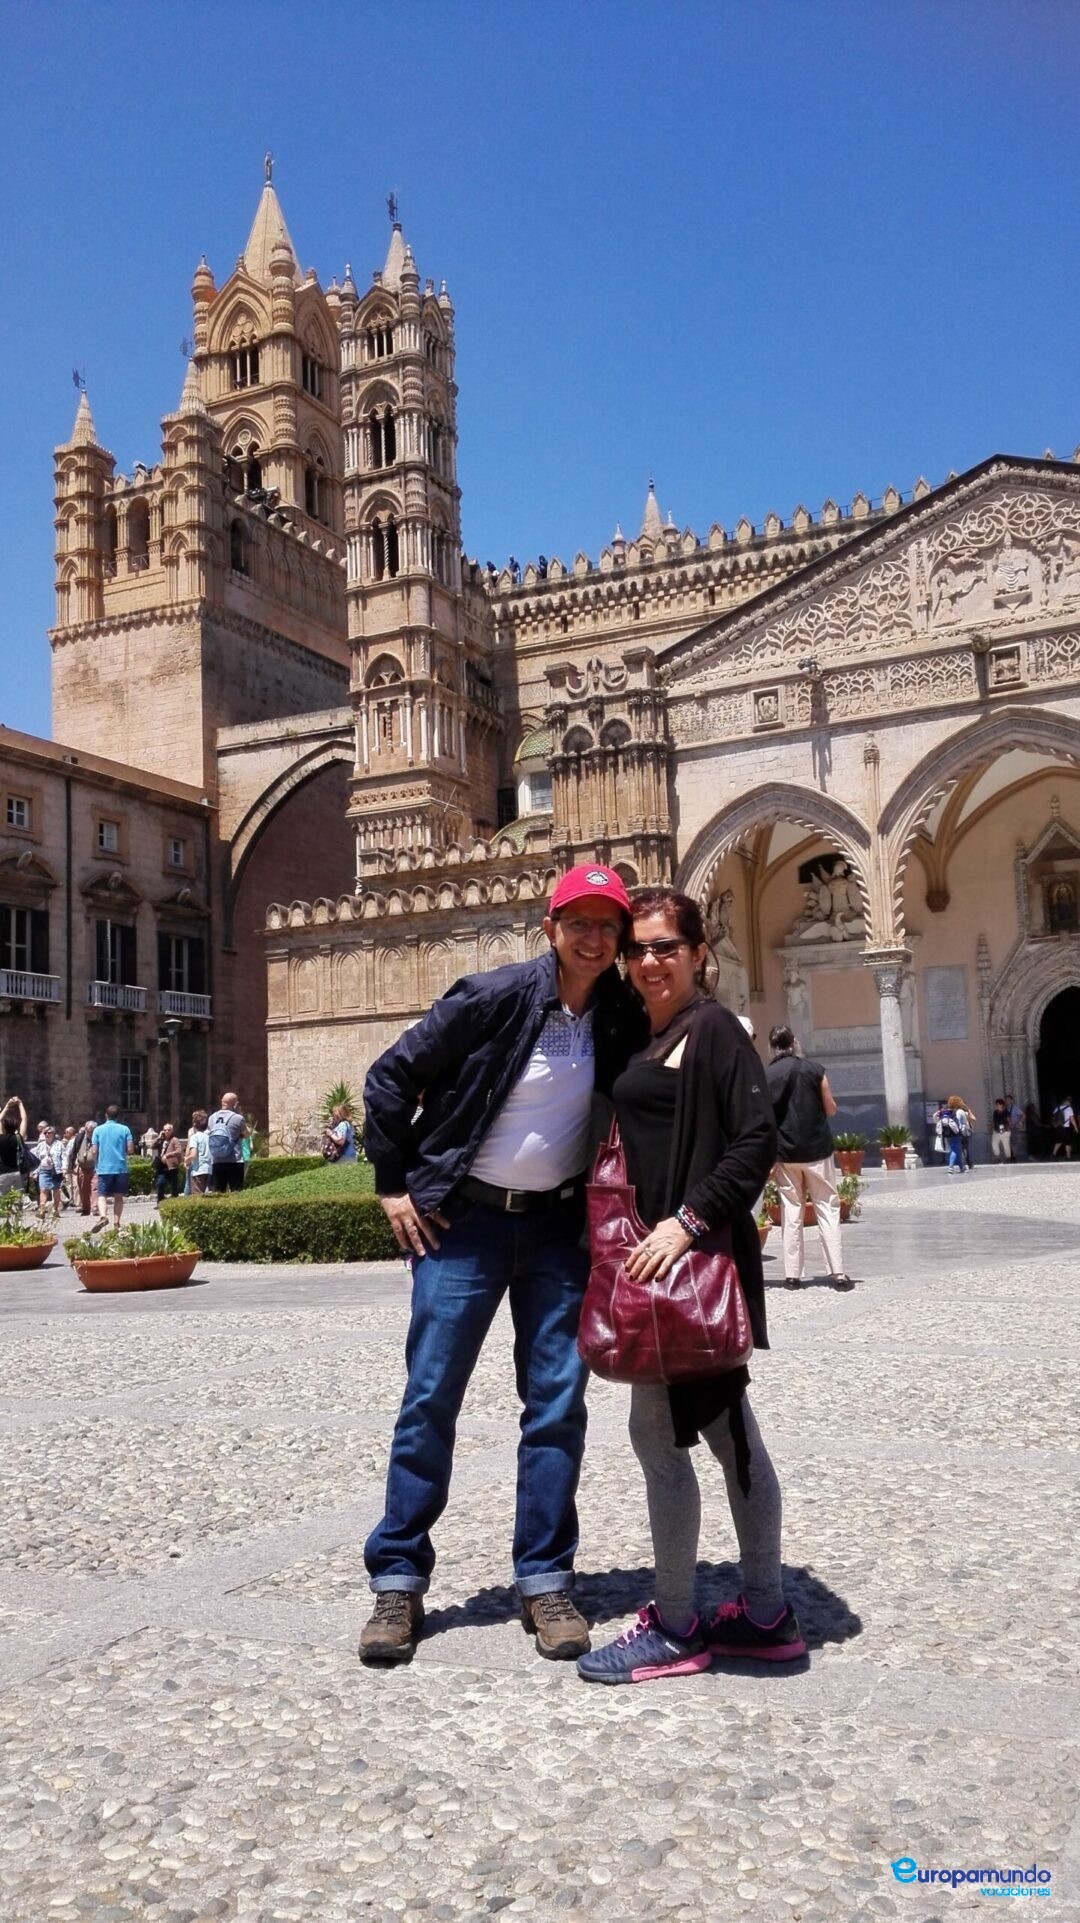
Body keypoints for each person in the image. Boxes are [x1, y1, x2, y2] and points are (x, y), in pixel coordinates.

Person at [359, 864, 647, 1666]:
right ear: (549, 927)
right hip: (464, 1224)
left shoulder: (620, 1013)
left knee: (556, 1404)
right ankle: (397, 1578)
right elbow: (390, 1077)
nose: (594, 937)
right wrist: (393, 1184)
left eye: (607, 925)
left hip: (557, 1227)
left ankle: (544, 1576)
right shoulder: (492, 995)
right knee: (429, 1399)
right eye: (579, 921)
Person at [577, 887, 806, 1685]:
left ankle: (679, 1624)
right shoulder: (652, 1030)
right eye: (637, 947)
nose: (648, 960)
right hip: (661, 1275)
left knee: (691, 1436)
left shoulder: (711, 1028)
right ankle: (764, 1611)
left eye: (666, 946)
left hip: (687, 1269)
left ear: (700, 952)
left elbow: (755, 1140)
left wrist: (687, 1221)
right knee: (709, 1431)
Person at [765, 1025, 852, 1290]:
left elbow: (764, 1117)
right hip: (816, 1150)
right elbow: (831, 1108)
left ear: (772, 1046)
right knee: (827, 1208)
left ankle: (793, 1276)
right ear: (794, 1042)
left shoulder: (766, 1075)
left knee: (791, 1212)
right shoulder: (815, 1070)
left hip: (786, 1153)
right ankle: (837, 1272)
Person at [90, 1103, 134, 1230]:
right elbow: (130, 1149)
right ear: (118, 1116)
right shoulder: (125, 1129)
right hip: (120, 1167)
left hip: (104, 1168)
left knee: (101, 1195)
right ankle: (116, 1223)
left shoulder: (98, 1130)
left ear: (106, 1116)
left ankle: (103, 1216)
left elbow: (94, 1151)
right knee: (118, 1196)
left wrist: (96, 1163)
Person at [206, 1092, 249, 1193]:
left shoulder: (212, 1118)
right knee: (236, 1192)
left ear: (222, 1102)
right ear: (235, 1104)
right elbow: (247, 1134)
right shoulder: (238, 1118)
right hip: (234, 1160)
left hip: (216, 1160)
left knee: (218, 1193)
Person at [34, 1126, 65, 1222]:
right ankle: (42, 1210)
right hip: (44, 1170)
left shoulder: (59, 1144)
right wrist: (35, 1172)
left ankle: (55, 1210)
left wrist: (64, 1168)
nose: (47, 1134)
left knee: (56, 1189)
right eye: (45, 1133)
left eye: (49, 1132)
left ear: (53, 1134)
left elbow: (64, 1157)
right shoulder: (40, 1145)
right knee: (43, 1189)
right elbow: (36, 1159)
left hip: (56, 1170)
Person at [0, 1097, 28, 1199]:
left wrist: (7, 1106)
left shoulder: (1, 1138)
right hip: (16, 1172)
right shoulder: (18, 1138)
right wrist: (20, 1104)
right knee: (17, 1201)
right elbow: (24, 1120)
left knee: (2, 1201)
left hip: (2, 1173)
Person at [70, 1119, 98, 1214]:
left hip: (95, 1167)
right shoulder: (80, 1137)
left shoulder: (98, 1137)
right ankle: (86, 1208)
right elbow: (74, 1151)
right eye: (88, 1131)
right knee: (83, 1188)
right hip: (82, 1167)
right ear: (85, 1129)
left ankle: (95, 1208)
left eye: (91, 1131)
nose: (89, 1133)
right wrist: (71, 1165)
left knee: (95, 1188)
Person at [153, 1123, 184, 1203]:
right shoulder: (161, 1140)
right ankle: (160, 1201)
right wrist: (159, 1137)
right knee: (160, 1183)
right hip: (162, 1167)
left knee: (174, 1186)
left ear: (172, 1131)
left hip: (171, 1166)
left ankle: (174, 1201)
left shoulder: (175, 1140)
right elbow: (152, 1146)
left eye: (169, 1130)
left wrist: (167, 1155)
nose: (167, 1132)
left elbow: (178, 1151)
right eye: (165, 1130)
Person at [935, 1098, 966, 1174]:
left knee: (956, 1150)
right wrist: (963, 1131)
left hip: (947, 1134)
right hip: (956, 1134)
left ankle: (962, 1167)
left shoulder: (945, 1112)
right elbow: (964, 1123)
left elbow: (936, 1119)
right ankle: (951, 1167)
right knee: (955, 1150)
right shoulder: (959, 1111)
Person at [185, 1109, 212, 1193]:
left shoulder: (195, 1137)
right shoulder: (209, 1136)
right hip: (209, 1169)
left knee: (197, 1196)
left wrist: (186, 1159)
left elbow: (193, 1155)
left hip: (198, 1170)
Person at [990, 1097, 1012, 1163]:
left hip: (1004, 1130)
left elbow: (1009, 1121)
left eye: (997, 1104)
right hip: (996, 1130)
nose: (996, 1106)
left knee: (1006, 1144)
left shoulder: (1006, 1112)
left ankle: (1008, 1157)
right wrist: (991, 1127)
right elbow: (994, 1121)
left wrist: (1007, 1129)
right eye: (996, 1105)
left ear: (1001, 1105)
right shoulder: (995, 1112)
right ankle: (997, 1157)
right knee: (994, 1144)